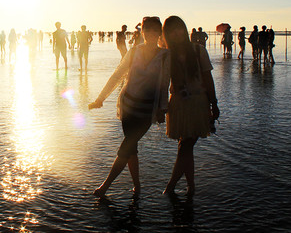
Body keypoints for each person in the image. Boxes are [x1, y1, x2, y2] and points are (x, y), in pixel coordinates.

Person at [88, 17, 170, 198]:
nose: (151, 33)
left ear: (160, 33)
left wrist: (162, 109)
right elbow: (117, 75)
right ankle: (137, 186)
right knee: (131, 147)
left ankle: (105, 186)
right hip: (128, 107)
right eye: (147, 30)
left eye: (155, 30)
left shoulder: (165, 56)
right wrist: (100, 99)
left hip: (146, 111)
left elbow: (165, 84)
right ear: (142, 32)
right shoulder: (133, 52)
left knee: (127, 146)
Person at [162, 16, 220, 198]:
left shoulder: (198, 50)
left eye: (179, 28)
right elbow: (161, 84)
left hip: (198, 103)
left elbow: (208, 79)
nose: (176, 33)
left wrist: (214, 104)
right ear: (167, 34)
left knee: (185, 146)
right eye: (171, 30)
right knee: (185, 146)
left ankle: (171, 186)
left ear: (185, 29)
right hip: (178, 104)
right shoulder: (166, 54)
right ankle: (191, 186)